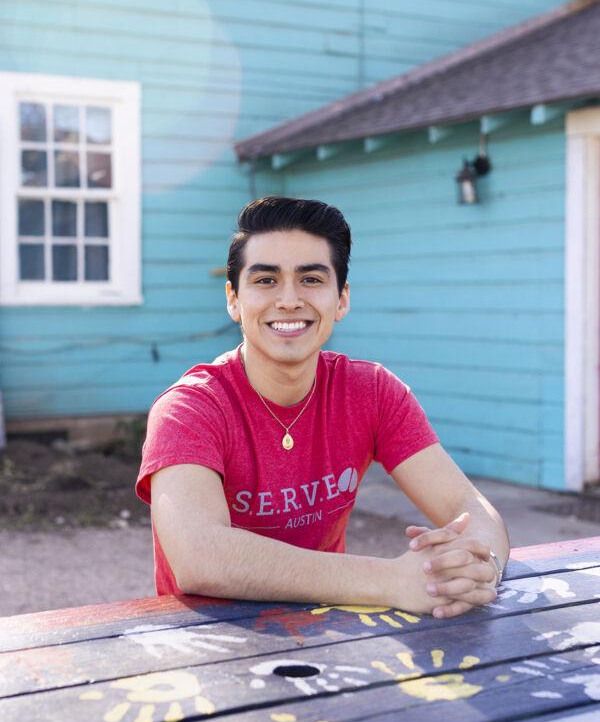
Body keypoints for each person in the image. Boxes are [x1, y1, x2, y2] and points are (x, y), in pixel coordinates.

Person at [137, 196, 509, 618]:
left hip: (328, 637)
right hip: (209, 645)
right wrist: (390, 581)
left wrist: (477, 569)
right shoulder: (190, 408)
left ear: (342, 298)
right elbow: (199, 557)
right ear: (233, 300)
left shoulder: (372, 391)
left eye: (311, 279)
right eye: (265, 281)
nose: (290, 300)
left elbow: (472, 509)